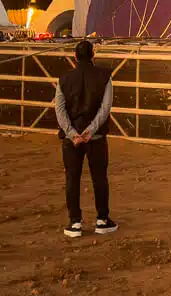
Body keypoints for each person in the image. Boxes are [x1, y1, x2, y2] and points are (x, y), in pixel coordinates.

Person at [54, 39, 117, 238]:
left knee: (72, 178)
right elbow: (105, 109)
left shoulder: (64, 79)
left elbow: (60, 109)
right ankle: (102, 219)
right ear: (93, 55)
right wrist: (90, 131)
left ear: (75, 56)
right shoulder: (105, 76)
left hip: (72, 141)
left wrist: (72, 133)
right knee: (99, 178)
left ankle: (75, 223)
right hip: (96, 138)